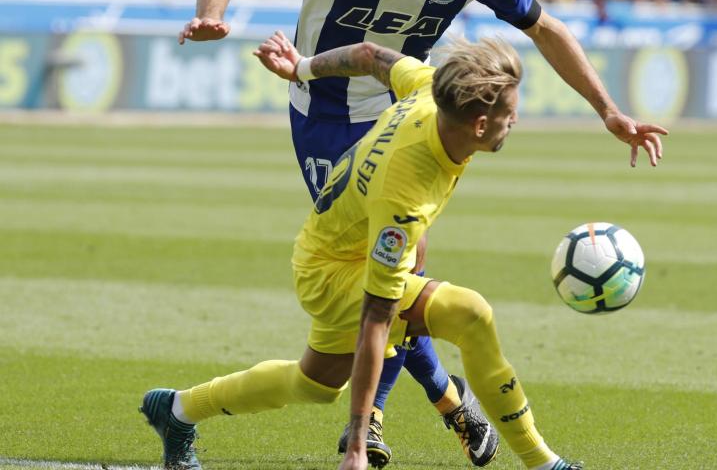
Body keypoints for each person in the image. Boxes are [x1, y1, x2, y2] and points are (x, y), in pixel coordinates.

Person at [177, 0, 664, 465]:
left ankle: (381, 415)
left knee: (403, 277)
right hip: (325, 120)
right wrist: (213, 15)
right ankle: (443, 399)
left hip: (406, 111)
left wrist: (610, 112)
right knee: (390, 284)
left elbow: (545, 27)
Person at [140, 32, 668, 470]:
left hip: (324, 247)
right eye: (511, 115)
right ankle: (543, 463)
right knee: (470, 314)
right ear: (480, 126)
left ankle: (179, 410)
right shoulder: (407, 193)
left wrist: (301, 66)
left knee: (316, 383)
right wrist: (355, 445)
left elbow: (368, 55)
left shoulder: (426, 89)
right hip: (333, 272)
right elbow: (376, 316)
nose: (515, 122)